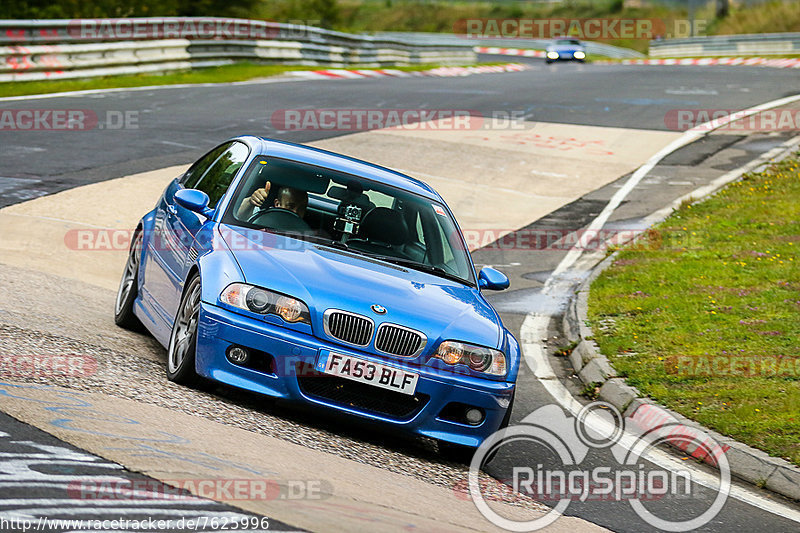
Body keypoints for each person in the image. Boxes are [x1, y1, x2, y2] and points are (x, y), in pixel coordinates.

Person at [237, 181, 308, 220]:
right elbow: (237, 215)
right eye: (290, 206)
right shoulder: (261, 216)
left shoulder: (304, 231)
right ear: (277, 204)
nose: (296, 212)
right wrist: (250, 201)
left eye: (301, 208)